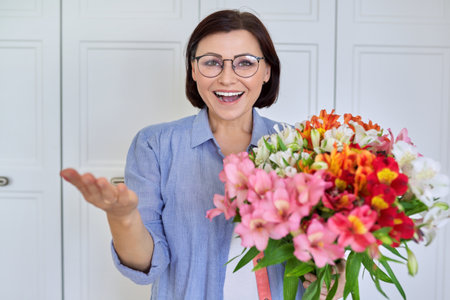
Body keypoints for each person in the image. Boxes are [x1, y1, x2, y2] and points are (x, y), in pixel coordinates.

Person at [61, 9, 345, 300]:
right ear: (194, 70)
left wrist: (333, 275)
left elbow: (322, 249)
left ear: (267, 71)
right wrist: (122, 218)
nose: (227, 78)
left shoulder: (302, 145)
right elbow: (146, 265)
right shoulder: (154, 145)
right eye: (211, 63)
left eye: (245, 63)